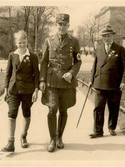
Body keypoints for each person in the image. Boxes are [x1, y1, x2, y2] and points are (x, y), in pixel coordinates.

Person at [39, 13, 82, 152]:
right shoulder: (49, 41)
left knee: (63, 110)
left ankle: (60, 137)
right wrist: (42, 80)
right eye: (60, 24)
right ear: (56, 25)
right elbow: (44, 62)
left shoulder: (74, 41)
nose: (62, 27)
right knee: (52, 109)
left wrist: (72, 73)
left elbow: (78, 61)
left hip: (66, 81)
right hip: (52, 81)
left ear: (68, 26)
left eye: (64, 24)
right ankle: (52, 139)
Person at [2, 30, 39, 152]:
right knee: (11, 114)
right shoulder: (12, 55)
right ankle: (10, 142)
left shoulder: (33, 57)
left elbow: (37, 75)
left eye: (24, 42)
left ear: (27, 42)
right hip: (13, 89)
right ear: (16, 43)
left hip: (28, 90)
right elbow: (8, 73)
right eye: (19, 42)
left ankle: (23, 136)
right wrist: (5, 90)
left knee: (26, 113)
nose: (22, 45)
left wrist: (36, 90)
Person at [89, 25, 125, 138]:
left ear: (113, 36)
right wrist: (91, 80)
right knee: (98, 108)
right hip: (100, 84)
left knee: (113, 107)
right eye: (104, 36)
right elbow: (95, 65)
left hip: (115, 84)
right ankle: (98, 131)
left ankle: (112, 128)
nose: (106, 38)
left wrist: (124, 81)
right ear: (102, 38)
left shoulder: (120, 49)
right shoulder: (99, 49)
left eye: (108, 36)